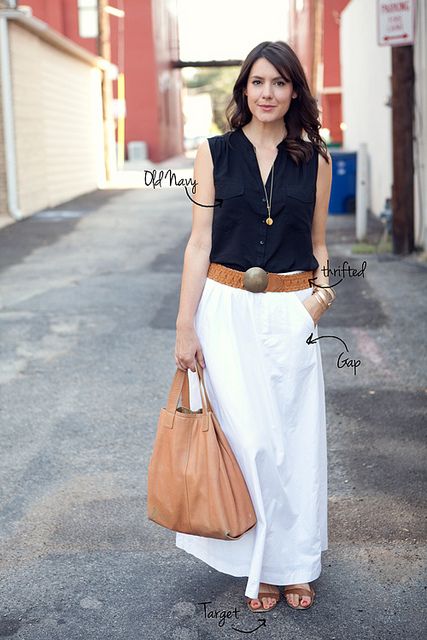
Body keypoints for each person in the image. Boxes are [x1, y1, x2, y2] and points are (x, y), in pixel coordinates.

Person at [174, 40, 333, 613]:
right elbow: (198, 243)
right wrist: (184, 325)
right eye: (258, 82)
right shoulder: (212, 154)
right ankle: (257, 566)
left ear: (295, 91)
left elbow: (318, 245)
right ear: (243, 88)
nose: (268, 93)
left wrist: (317, 302)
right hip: (225, 306)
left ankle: (294, 563)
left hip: (290, 310)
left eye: (280, 83)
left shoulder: (316, 159)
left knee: (293, 442)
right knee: (248, 441)